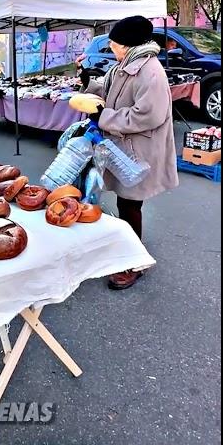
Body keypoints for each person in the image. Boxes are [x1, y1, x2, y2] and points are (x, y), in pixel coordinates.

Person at [83, 15, 179, 290]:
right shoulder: (126, 64)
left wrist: (106, 117)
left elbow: (148, 115)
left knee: (130, 202)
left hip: (142, 149)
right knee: (126, 202)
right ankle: (127, 249)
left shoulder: (151, 71)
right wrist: (89, 82)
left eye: (114, 43)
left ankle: (134, 262)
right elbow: (112, 89)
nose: (111, 47)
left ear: (127, 44)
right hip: (125, 145)